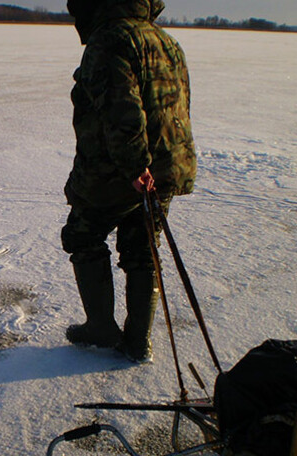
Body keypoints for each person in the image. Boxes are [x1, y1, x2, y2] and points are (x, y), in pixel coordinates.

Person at [62, 0, 197, 363]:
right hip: (165, 167)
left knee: (82, 235)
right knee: (142, 246)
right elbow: (179, 108)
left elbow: (123, 108)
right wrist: (156, 166)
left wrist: (136, 165)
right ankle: (139, 341)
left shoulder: (111, 39)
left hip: (119, 170)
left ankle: (102, 329)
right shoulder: (165, 41)